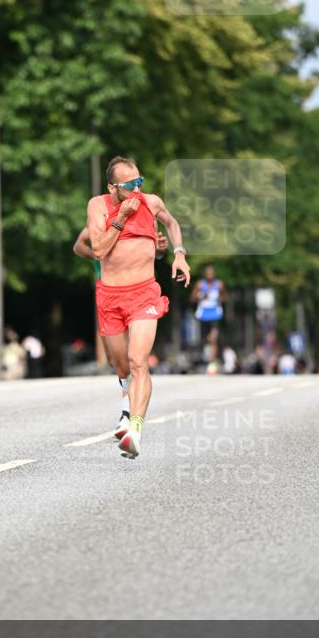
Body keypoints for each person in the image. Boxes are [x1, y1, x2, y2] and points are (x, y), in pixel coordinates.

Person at [87, 156, 190, 459]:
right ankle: (125, 400)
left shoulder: (151, 202)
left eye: (139, 181)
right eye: (129, 184)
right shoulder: (99, 206)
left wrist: (178, 254)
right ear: (112, 187)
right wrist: (121, 215)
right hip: (110, 296)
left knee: (138, 361)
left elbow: (172, 223)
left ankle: (135, 429)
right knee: (121, 366)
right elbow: (98, 249)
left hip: (144, 294)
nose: (136, 189)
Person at [73, 222, 168, 436]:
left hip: (136, 292)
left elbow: (156, 253)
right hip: (107, 290)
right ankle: (128, 399)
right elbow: (78, 246)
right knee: (114, 358)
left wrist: (161, 249)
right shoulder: (99, 222)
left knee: (134, 355)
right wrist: (98, 255)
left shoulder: (141, 220)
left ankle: (127, 414)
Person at [190, 265, 227, 364]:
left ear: (214, 274)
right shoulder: (200, 285)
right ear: (205, 274)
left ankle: (212, 362)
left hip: (215, 314)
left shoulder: (219, 284)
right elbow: (192, 298)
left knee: (213, 338)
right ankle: (206, 358)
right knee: (205, 339)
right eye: (208, 273)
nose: (210, 275)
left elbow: (225, 296)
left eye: (211, 273)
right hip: (203, 314)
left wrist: (220, 298)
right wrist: (201, 296)